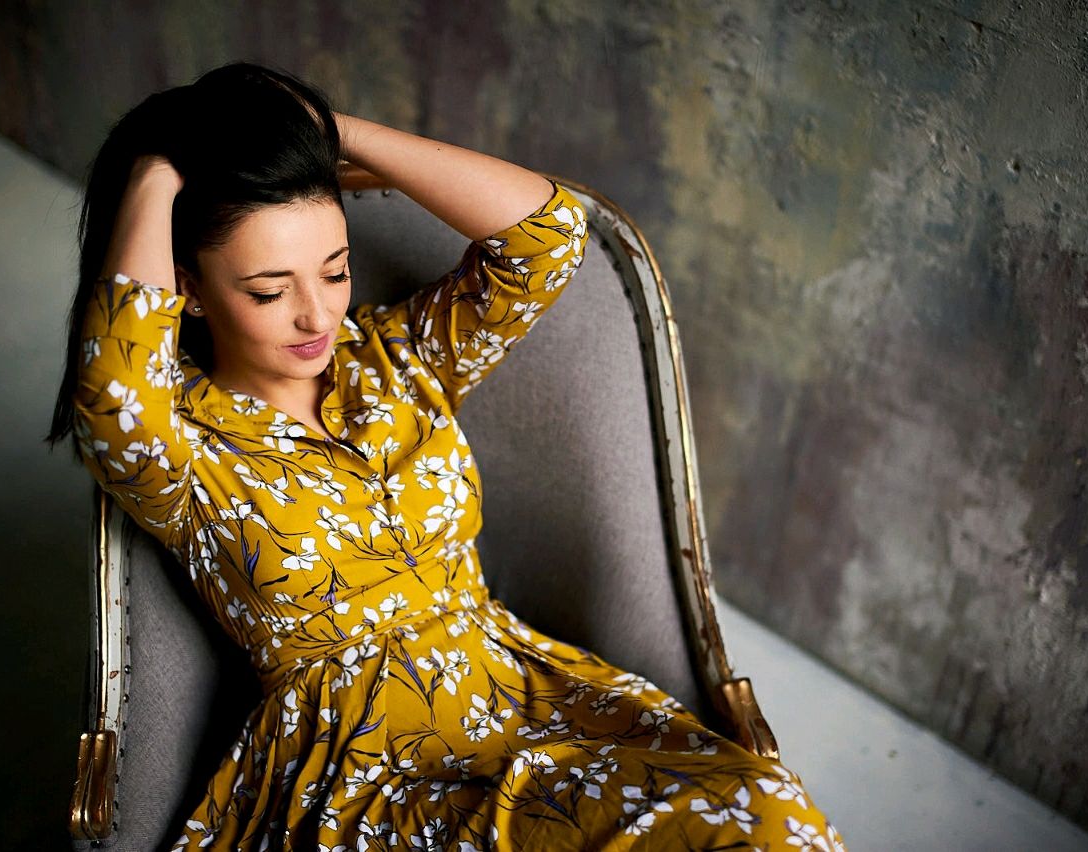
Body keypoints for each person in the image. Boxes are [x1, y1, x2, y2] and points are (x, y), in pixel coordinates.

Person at [47, 61, 845, 851]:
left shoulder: (402, 357)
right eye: (269, 290)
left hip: (530, 708)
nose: (317, 314)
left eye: (335, 270)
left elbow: (549, 236)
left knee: (761, 810)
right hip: (368, 776)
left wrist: (331, 133)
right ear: (188, 289)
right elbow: (115, 392)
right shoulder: (180, 449)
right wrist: (158, 164)